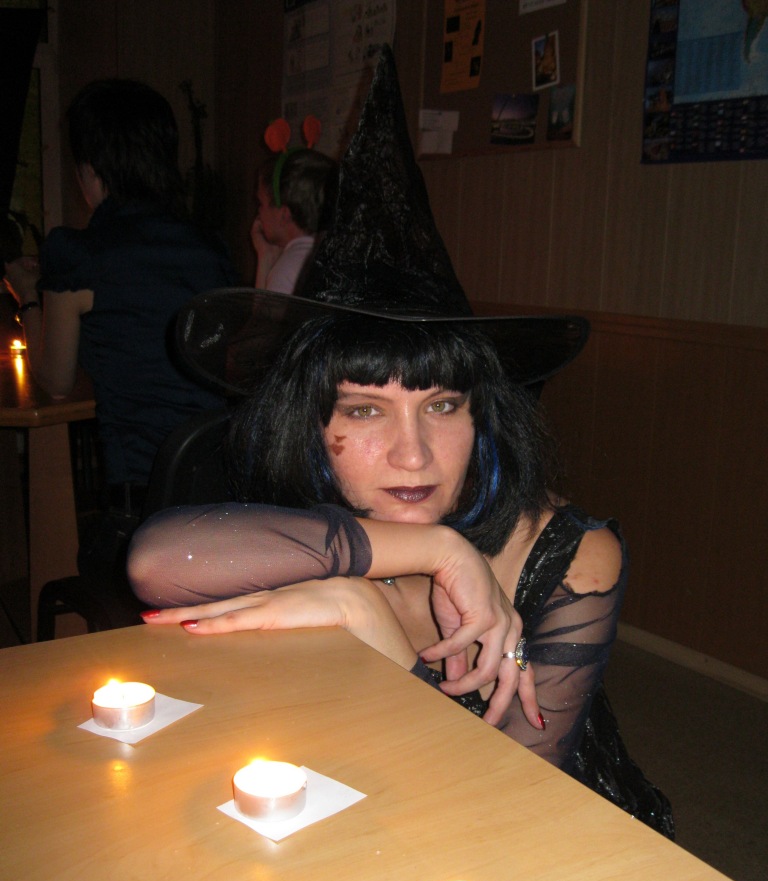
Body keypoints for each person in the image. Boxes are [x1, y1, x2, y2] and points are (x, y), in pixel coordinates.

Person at [127, 48, 673, 837]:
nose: (413, 456)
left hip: (565, 852)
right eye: (364, 411)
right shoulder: (327, 522)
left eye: (443, 404)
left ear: (484, 414)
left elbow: (505, 812)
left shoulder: (571, 556)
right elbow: (155, 561)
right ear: (310, 423)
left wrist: (384, 641)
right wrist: (437, 552)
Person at [3, 77, 236, 503]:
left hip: (145, 497)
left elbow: (56, 380)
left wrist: (28, 296)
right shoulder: (210, 248)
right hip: (220, 484)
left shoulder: (78, 254)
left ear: (91, 168)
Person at [250, 147, 337, 293]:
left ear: (284, 214)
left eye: (261, 203)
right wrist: (267, 254)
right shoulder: (329, 251)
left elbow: (264, 309)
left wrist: (264, 259)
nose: (259, 212)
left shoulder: (287, 269)